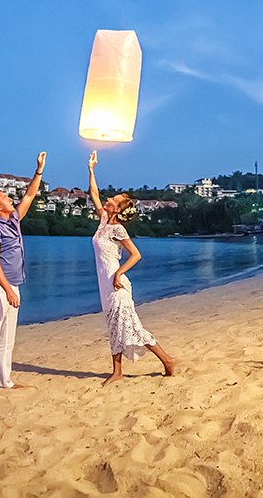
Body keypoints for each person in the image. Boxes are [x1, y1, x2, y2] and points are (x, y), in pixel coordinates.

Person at [87, 150, 176, 386]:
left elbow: (136, 254)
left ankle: (167, 360)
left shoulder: (118, 230)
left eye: (112, 201)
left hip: (117, 285)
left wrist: (119, 272)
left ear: (117, 209)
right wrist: (92, 169)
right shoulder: (103, 221)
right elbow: (94, 193)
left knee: (132, 327)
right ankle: (117, 371)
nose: (107, 201)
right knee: (114, 327)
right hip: (105, 286)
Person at [0, 151, 46, 399]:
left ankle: (4, 380)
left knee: (7, 338)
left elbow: (30, 195)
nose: (10, 198)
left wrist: (38, 169)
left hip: (13, 285)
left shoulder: (13, 220)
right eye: (5, 197)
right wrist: (7, 290)